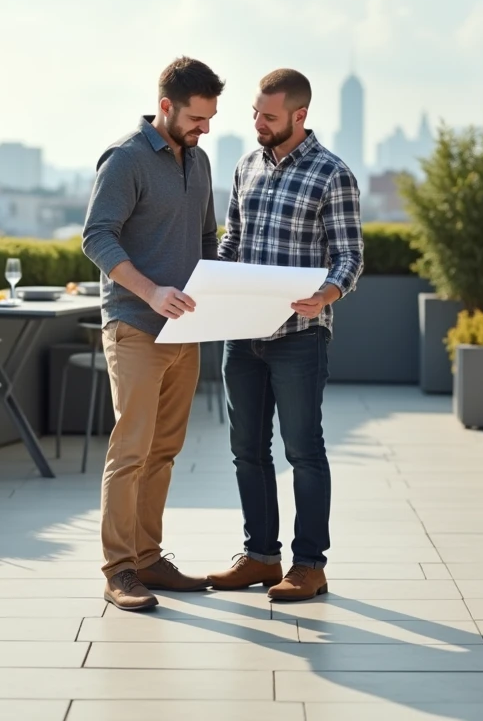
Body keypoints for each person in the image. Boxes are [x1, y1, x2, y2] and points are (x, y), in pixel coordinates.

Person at [207, 68, 364, 601]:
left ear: (300, 116)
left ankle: (309, 565)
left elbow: (350, 257)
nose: (257, 124)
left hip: (300, 335)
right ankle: (260, 557)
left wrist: (328, 292)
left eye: (268, 117)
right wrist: (211, 286)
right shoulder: (246, 166)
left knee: (303, 450)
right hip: (241, 334)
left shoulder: (332, 174)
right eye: (254, 113)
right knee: (246, 450)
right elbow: (232, 245)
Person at [81, 56, 225, 611]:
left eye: (210, 119)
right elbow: (97, 238)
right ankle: (118, 570)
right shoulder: (125, 159)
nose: (204, 128)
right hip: (135, 323)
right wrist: (151, 293)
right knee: (132, 448)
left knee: (164, 449)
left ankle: (148, 558)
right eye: (196, 118)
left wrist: (217, 294)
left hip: (185, 330)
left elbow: (208, 239)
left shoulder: (201, 161)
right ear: (165, 106)